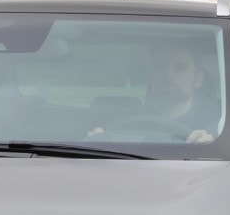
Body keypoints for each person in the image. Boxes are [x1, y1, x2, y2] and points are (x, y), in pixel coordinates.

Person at [89, 41, 218, 143]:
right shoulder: (126, 123)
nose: (169, 75)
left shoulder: (216, 128)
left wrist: (211, 146)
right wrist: (96, 143)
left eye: (180, 67)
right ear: (150, 77)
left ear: (198, 79)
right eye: (160, 67)